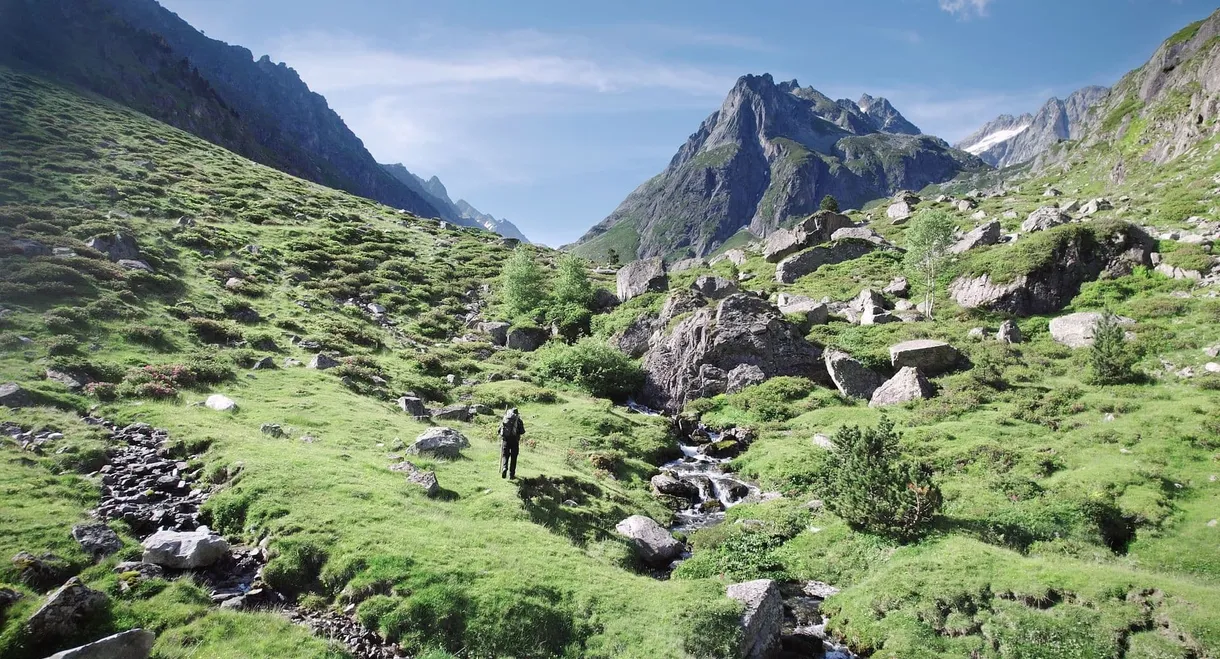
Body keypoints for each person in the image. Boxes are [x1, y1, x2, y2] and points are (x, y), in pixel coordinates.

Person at [498, 407, 525, 479]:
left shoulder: (505, 418)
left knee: (505, 455)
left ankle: (504, 468)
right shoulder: (518, 420)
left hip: (505, 440)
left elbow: (499, 430)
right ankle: (511, 474)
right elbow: (522, 431)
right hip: (515, 441)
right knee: (514, 457)